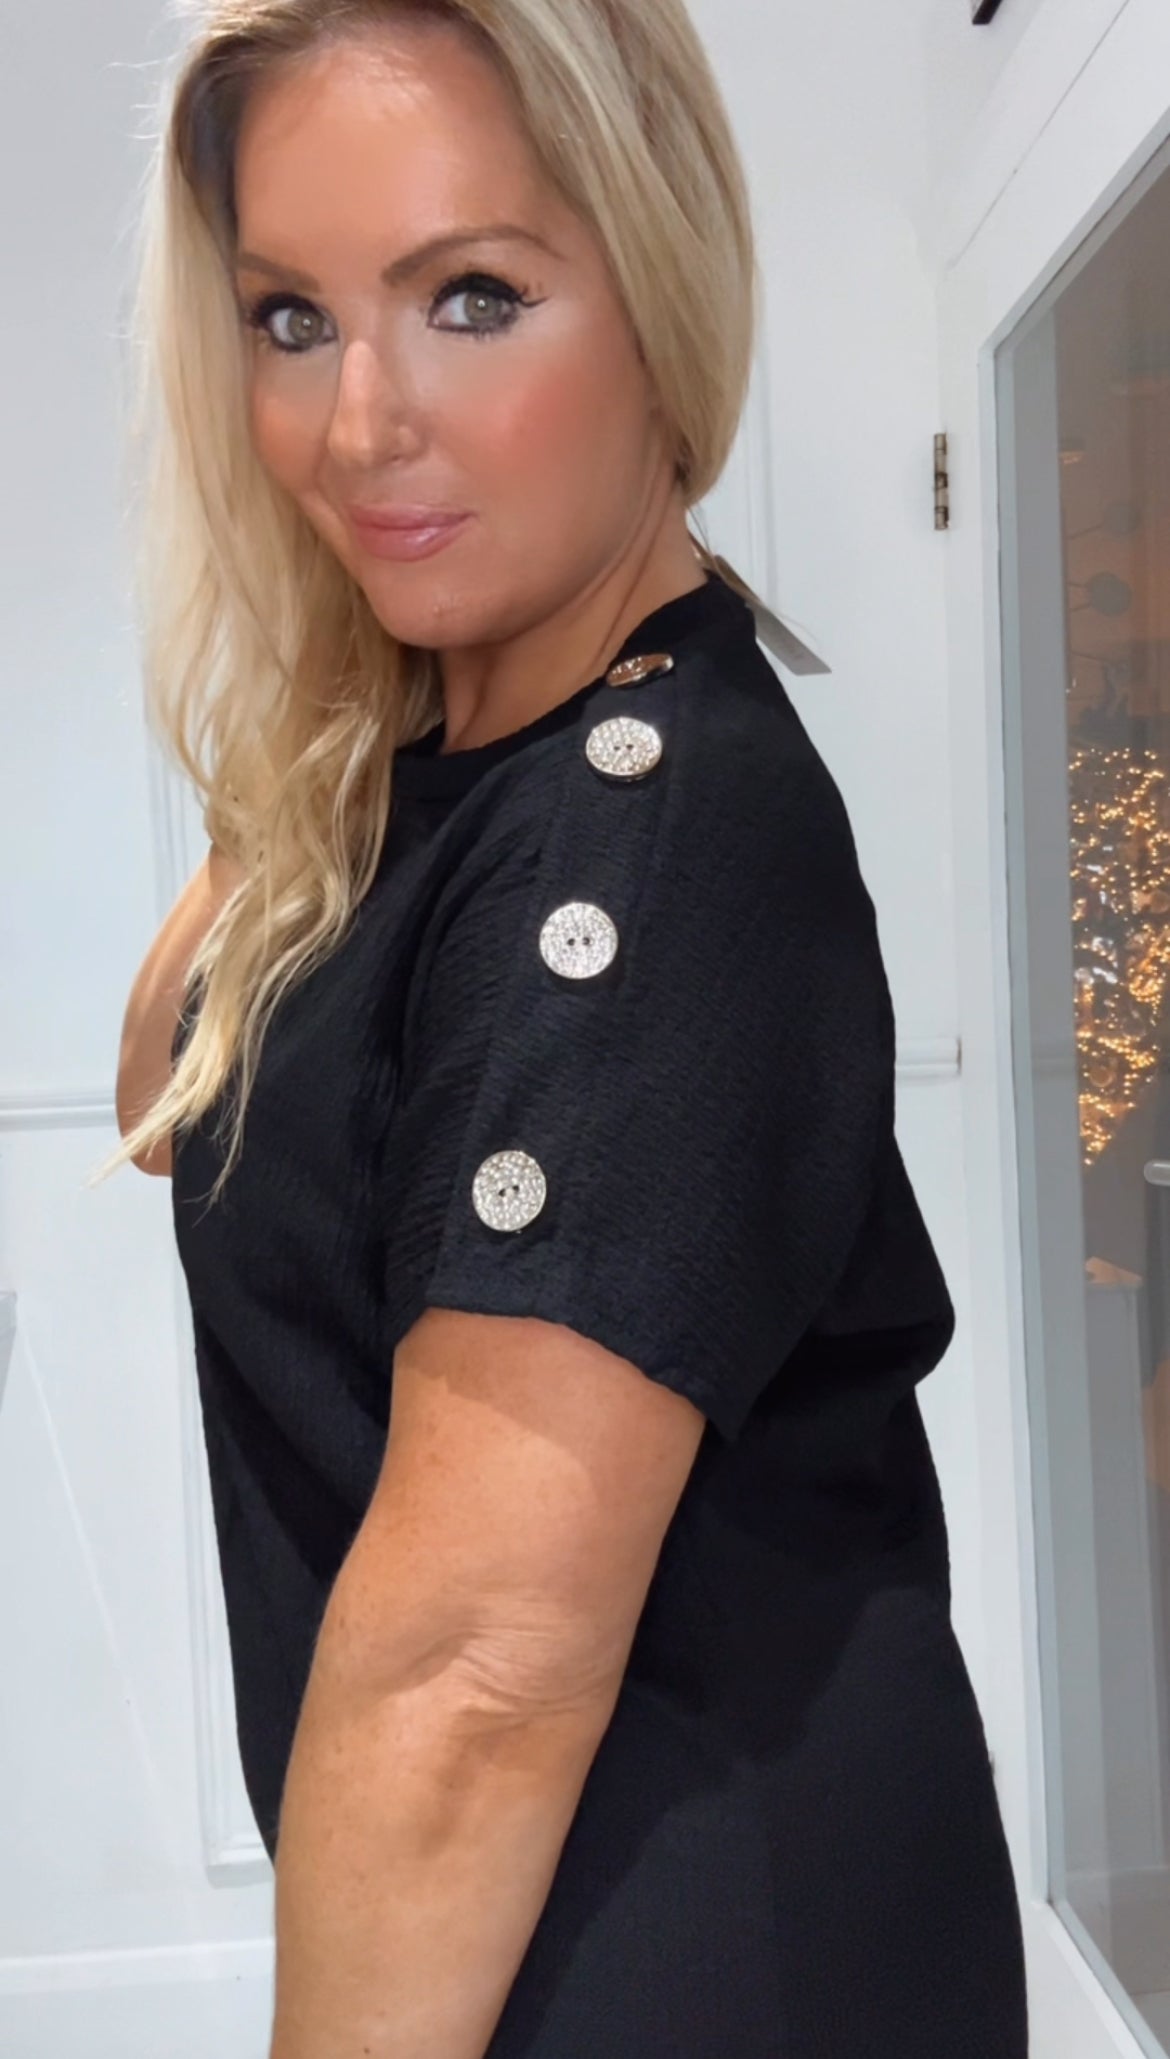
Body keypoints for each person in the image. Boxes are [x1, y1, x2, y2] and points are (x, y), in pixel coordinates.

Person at [104, 1, 1030, 2053]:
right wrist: (310, 758)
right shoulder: (437, 765)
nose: (359, 426)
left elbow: (471, 1682)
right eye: (289, 320)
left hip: (676, 1944)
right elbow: (169, 1096)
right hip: (543, 1913)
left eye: (471, 298)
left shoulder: (645, 833)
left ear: (657, 289)